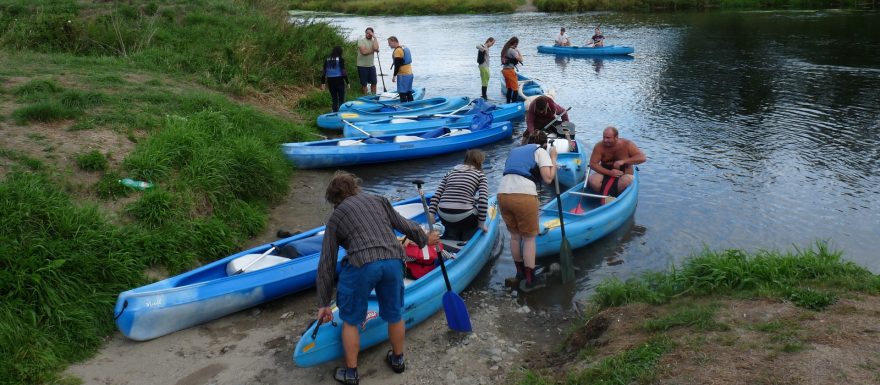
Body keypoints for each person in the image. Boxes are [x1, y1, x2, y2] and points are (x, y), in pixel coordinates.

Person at [315, 171, 440, 385]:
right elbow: (405, 225)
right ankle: (398, 360)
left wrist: (324, 303)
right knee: (394, 314)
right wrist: (424, 239)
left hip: (362, 264)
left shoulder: (335, 218)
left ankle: (352, 373)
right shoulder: (378, 200)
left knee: (351, 320)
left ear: (334, 198)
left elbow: (327, 261)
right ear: (355, 187)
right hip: (393, 260)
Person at [498, 131, 558, 291]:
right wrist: (553, 159)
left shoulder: (515, 151)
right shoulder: (540, 151)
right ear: (544, 143)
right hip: (523, 195)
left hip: (503, 193)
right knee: (530, 238)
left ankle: (520, 274)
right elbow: (548, 178)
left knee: (515, 237)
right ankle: (531, 279)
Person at [428, 149, 489, 241]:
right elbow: (483, 200)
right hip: (465, 217)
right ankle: (467, 238)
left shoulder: (450, 173)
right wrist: (481, 224)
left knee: (454, 220)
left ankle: (451, 234)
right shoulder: (480, 175)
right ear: (479, 162)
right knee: (472, 218)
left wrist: (431, 215)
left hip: (443, 214)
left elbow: (437, 195)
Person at [587, 126, 646, 198]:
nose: (605, 140)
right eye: (604, 137)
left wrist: (624, 161)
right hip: (605, 173)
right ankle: (601, 196)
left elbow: (642, 158)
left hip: (624, 175)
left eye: (608, 138)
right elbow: (593, 164)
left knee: (627, 180)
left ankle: (617, 197)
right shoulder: (599, 146)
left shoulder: (627, 144)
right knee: (592, 180)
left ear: (616, 137)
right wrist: (610, 173)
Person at [321, 46, 349, 112]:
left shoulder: (327, 59)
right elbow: (343, 72)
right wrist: (347, 82)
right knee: (341, 98)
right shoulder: (341, 60)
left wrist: (323, 83)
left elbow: (324, 72)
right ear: (340, 52)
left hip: (330, 81)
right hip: (339, 81)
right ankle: (342, 112)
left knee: (334, 98)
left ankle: (334, 112)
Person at [387, 36, 414, 103]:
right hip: (410, 74)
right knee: (408, 92)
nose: (389, 45)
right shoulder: (404, 47)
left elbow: (397, 65)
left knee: (402, 93)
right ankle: (412, 106)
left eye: (389, 43)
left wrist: (394, 76)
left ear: (394, 41)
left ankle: (404, 110)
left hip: (403, 75)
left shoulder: (398, 51)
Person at [500, 37, 524, 104]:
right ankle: (513, 105)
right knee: (515, 89)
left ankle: (507, 103)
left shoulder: (505, 49)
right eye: (517, 44)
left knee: (510, 88)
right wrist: (519, 52)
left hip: (505, 70)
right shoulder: (512, 50)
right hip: (510, 71)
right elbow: (521, 60)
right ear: (515, 43)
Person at [356, 27, 380, 95]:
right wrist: (373, 50)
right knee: (364, 84)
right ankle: (366, 97)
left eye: (370, 33)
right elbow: (364, 52)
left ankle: (374, 97)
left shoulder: (373, 41)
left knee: (374, 82)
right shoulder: (361, 40)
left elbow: (376, 48)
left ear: (372, 34)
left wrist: (375, 38)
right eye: (367, 33)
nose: (368, 34)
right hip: (362, 65)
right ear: (365, 33)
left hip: (371, 65)